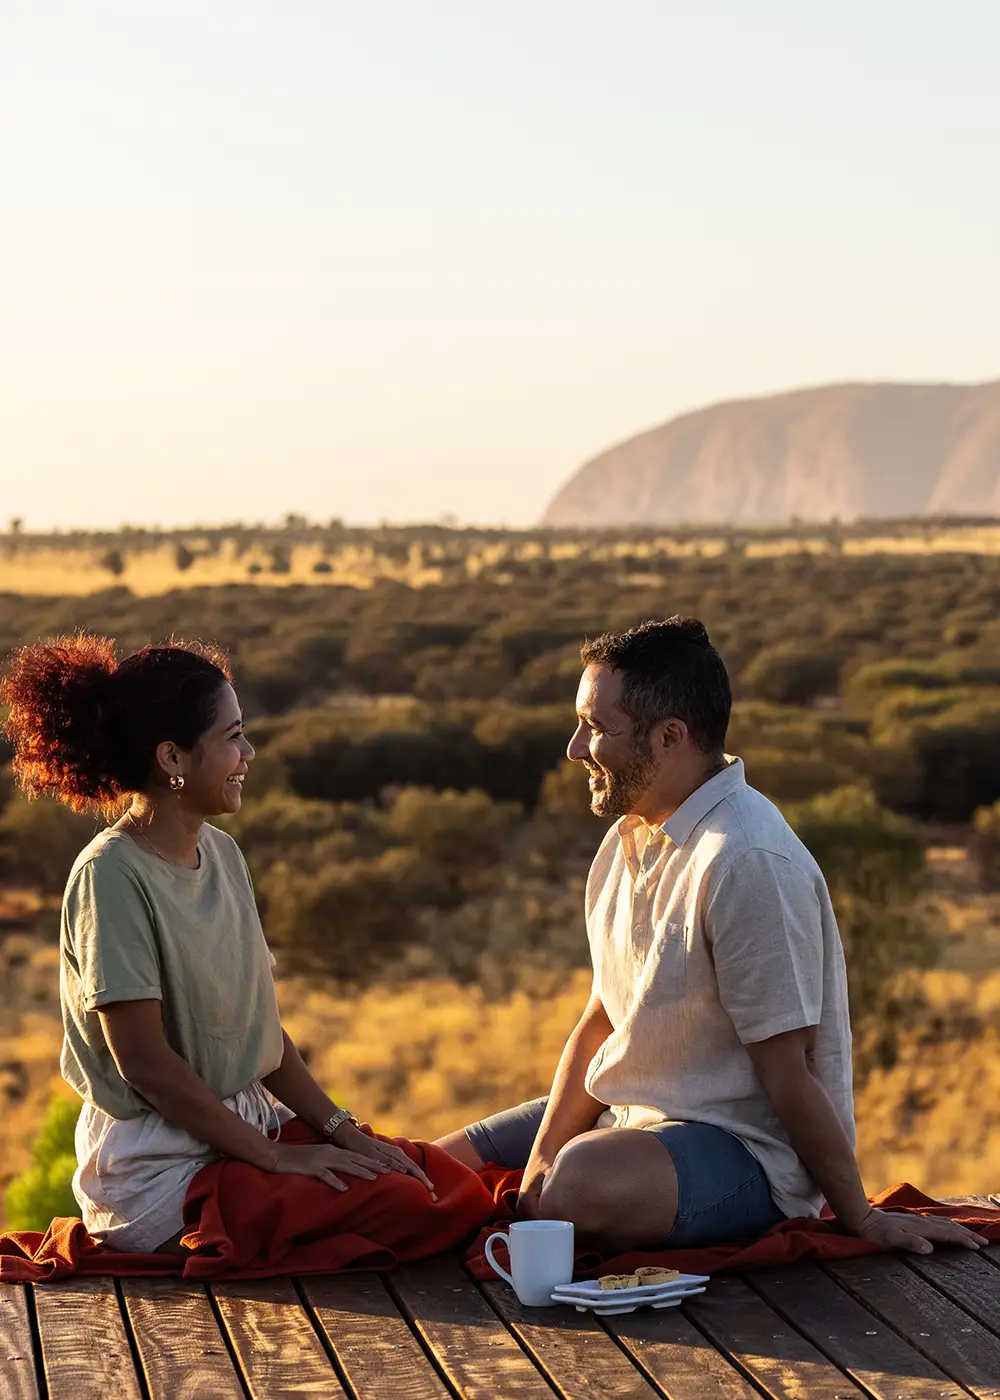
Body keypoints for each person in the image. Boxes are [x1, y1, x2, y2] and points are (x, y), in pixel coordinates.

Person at [437, 618, 987, 1257]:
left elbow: (792, 1074)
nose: (575, 749)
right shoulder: (627, 841)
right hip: (631, 1113)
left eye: (596, 728)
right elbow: (600, 1021)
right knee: (433, 1169)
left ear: (671, 737)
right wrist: (538, 1159)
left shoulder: (746, 860)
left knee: (578, 1183)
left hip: (742, 1151)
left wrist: (859, 1216)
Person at [0, 634, 434, 1254]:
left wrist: (342, 1130)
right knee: (401, 1209)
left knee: (426, 1176)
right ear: (173, 758)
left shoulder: (224, 855)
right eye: (232, 737)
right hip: (161, 1169)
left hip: (244, 1133)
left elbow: (262, 1036)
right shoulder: (110, 876)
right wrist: (275, 1160)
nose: (249, 753)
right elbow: (145, 1064)